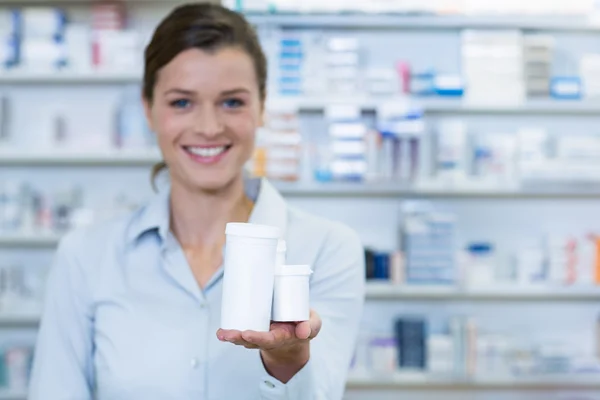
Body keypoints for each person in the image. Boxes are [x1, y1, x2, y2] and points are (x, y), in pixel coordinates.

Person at [29, 3, 365, 400]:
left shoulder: (327, 249)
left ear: (262, 107)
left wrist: (289, 360)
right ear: (148, 110)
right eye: (182, 102)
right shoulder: (85, 257)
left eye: (232, 102)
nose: (208, 127)